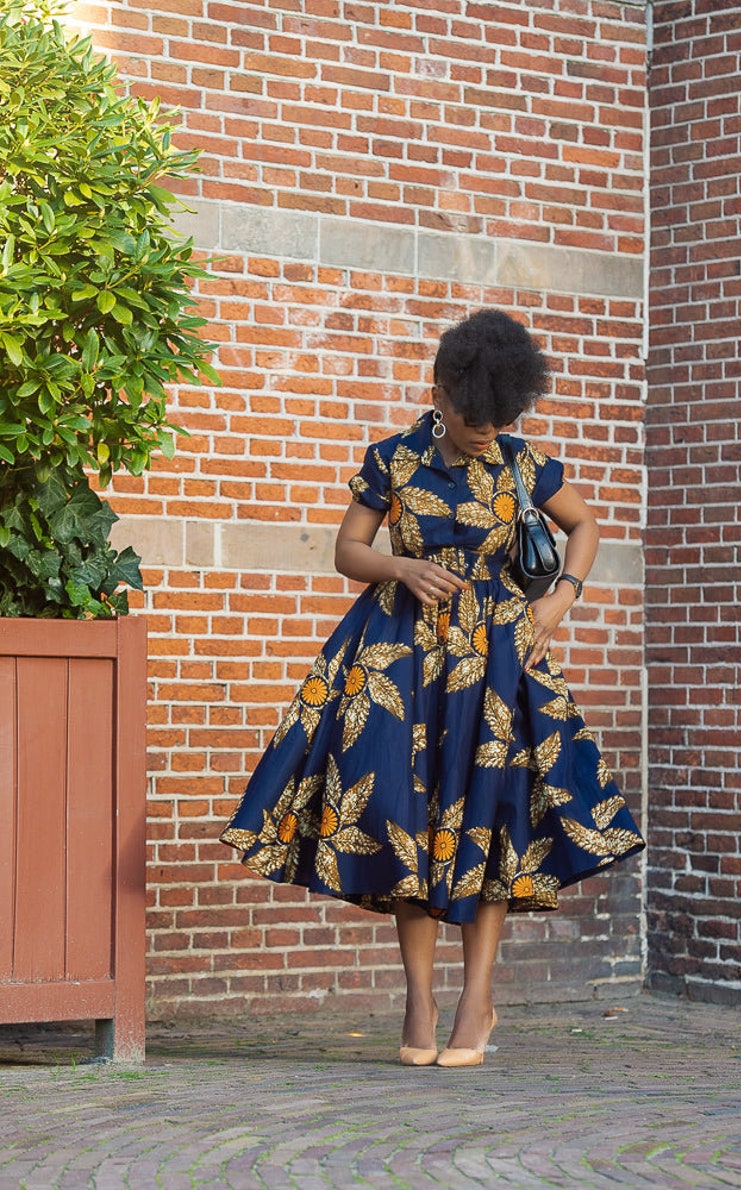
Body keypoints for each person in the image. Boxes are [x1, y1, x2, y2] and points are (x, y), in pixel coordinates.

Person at [221, 308, 645, 1068]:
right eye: (474, 416)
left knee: (490, 819)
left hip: (497, 660)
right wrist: (401, 567)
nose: (487, 429)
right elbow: (349, 550)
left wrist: (560, 598)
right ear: (441, 391)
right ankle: (419, 999)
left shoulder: (525, 464)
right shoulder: (393, 460)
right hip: (399, 657)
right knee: (399, 815)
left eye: (501, 417)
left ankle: (476, 1001)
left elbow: (585, 528)